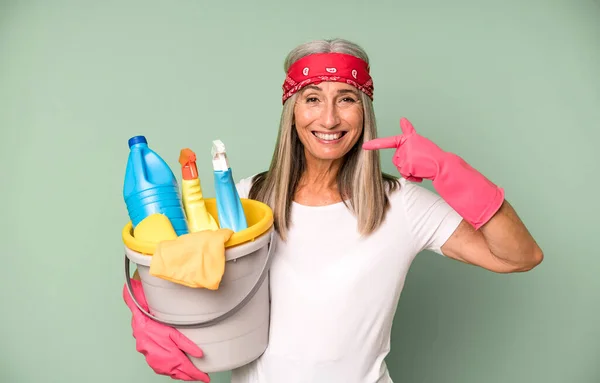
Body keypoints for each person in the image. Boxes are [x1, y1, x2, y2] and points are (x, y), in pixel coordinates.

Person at [122, 38, 543, 383]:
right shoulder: (249, 199)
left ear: (364, 111)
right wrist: (145, 306)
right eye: (311, 99)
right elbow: (181, 258)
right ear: (292, 113)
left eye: (346, 98)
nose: (328, 117)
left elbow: (520, 256)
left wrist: (452, 172)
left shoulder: (402, 205)